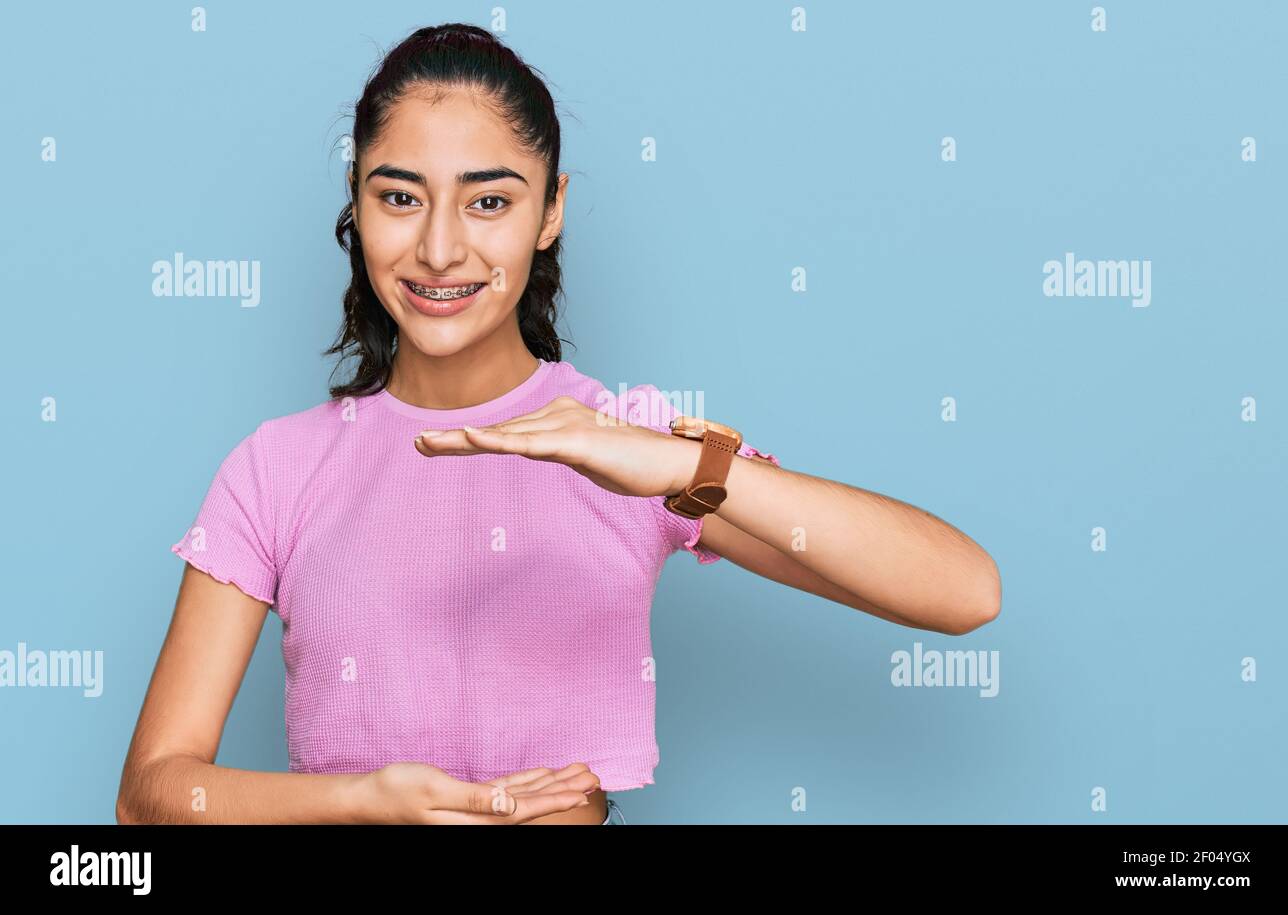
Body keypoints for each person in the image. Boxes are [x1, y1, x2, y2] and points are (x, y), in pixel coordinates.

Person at [116, 23, 1001, 826]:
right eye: (399, 197)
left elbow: (964, 592)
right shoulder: (277, 468)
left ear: (552, 211)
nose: (438, 249)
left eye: (489, 201)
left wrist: (677, 463)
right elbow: (151, 792)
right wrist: (362, 800)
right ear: (358, 203)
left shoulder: (635, 450)